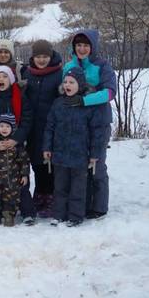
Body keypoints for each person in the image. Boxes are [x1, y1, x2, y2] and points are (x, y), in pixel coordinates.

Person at [43, 67, 111, 226]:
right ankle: (59, 215)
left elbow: (96, 132)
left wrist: (94, 154)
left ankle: (75, 216)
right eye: (65, 81)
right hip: (59, 155)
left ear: (80, 85)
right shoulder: (58, 103)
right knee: (60, 187)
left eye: (72, 82)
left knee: (78, 189)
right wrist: (47, 148)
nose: (67, 85)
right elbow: (50, 126)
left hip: (80, 156)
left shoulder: (87, 105)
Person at [61, 30, 116, 219]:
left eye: (85, 45)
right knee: (80, 166)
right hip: (76, 122)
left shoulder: (102, 66)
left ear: (92, 47)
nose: (82, 49)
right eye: (78, 45)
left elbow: (109, 93)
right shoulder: (69, 65)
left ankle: (99, 206)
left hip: (99, 120)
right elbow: (63, 89)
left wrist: (84, 100)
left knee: (97, 163)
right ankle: (83, 204)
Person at [0, 65, 36, 222]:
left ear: (11, 79)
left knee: (20, 178)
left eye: (4, 76)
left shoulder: (20, 97)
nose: (1, 79)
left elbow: (27, 119)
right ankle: (0, 211)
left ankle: (27, 212)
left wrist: (16, 139)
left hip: (15, 144)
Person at [21, 39, 63, 218]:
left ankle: (51, 197)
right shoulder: (27, 73)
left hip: (51, 125)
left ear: (51, 55)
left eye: (45, 56)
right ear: (33, 57)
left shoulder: (59, 73)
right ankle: (39, 195)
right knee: (36, 163)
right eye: (38, 56)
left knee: (50, 163)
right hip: (32, 126)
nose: (41, 60)